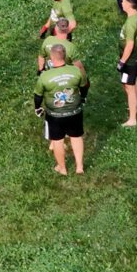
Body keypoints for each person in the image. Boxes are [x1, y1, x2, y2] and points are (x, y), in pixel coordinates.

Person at [34, 41, 89, 175]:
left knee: (58, 140)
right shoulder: (76, 71)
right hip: (74, 111)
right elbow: (84, 86)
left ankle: (62, 168)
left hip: (55, 114)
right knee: (76, 137)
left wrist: (37, 108)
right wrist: (82, 98)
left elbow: (38, 95)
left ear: (52, 58)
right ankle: (79, 167)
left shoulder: (45, 76)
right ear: (64, 56)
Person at [117, 0, 137, 127]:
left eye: (123, 1)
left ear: (129, 4)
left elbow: (129, 45)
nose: (121, 3)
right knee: (133, 82)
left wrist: (122, 61)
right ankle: (134, 104)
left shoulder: (130, 23)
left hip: (129, 60)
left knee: (128, 86)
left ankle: (132, 118)